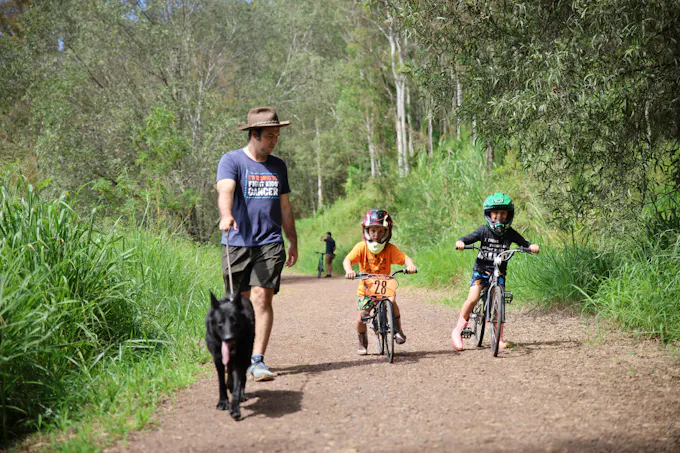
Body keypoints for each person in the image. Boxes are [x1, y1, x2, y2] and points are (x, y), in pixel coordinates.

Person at [216, 107, 298, 381]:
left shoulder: (278, 166)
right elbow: (225, 189)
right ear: (254, 134)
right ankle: (238, 354)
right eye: (270, 136)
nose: (274, 141)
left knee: (262, 298)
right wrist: (226, 215)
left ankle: (257, 360)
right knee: (240, 304)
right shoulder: (231, 161)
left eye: (277, 136)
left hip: (270, 242)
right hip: (237, 242)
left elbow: (285, 207)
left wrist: (293, 239)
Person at [451, 192, 539, 351]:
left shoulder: (510, 232)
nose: (499, 217)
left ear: (509, 215)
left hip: (499, 272)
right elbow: (468, 238)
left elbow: (524, 242)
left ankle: (498, 337)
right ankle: (457, 330)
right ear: (488, 214)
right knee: (473, 298)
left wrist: (531, 246)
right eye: (495, 213)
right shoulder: (483, 231)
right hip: (481, 270)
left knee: (498, 303)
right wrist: (461, 242)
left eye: (503, 213)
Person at [343, 209, 417, 355]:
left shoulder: (390, 249)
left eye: (380, 231)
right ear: (366, 231)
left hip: (385, 286)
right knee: (361, 318)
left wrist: (410, 265)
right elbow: (348, 260)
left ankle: (397, 329)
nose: (376, 235)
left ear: (387, 232)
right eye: (373, 231)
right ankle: (362, 341)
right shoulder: (361, 247)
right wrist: (349, 270)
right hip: (366, 289)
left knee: (392, 301)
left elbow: (404, 258)